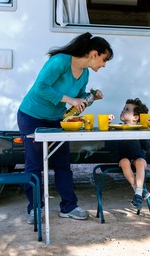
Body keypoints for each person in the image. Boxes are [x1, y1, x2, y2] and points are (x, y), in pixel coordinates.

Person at [17, 32, 113, 223]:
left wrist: (91, 97)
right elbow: (41, 87)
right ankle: (35, 209)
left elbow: (77, 103)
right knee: (35, 164)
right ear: (94, 54)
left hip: (56, 120)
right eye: (104, 59)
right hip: (32, 116)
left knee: (63, 164)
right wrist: (70, 99)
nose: (104, 65)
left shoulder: (84, 74)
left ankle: (68, 206)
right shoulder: (60, 61)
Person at [113, 98, 150, 210]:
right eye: (123, 109)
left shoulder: (140, 130)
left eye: (127, 109)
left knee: (140, 162)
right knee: (124, 162)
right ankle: (139, 192)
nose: (123, 111)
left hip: (138, 157)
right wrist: (108, 123)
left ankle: (137, 193)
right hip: (123, 158)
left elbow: (147, 146)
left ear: (135, 117)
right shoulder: (117, 128)